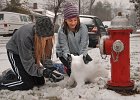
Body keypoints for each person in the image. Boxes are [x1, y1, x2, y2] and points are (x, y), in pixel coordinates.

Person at [0, 16, 64, 91]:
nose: (47, 40)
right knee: (26, 84)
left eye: (48, 38)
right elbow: (29, 65)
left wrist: (51, 70)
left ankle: (12, 75)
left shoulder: (48, 38)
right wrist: (44, 71)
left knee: (40, 81)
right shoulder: (26, 37)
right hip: (15, 53)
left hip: (29, 53)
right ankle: (2, 83)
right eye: (45, 39)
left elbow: (45, 56)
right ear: (38, 35)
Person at [56, 2, 92, 76]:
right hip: (64, 54)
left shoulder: (83, 28)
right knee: (74, 73)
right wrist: (70, 60)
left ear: (78, 19)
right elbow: (64, 48)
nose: (73, 23)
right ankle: (63, 68)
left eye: (75, 20)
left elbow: (84, 44)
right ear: (65, 20)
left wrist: (82, 58)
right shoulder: (62, 31)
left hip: (78, 52)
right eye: (70, 20)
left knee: (90, 68)